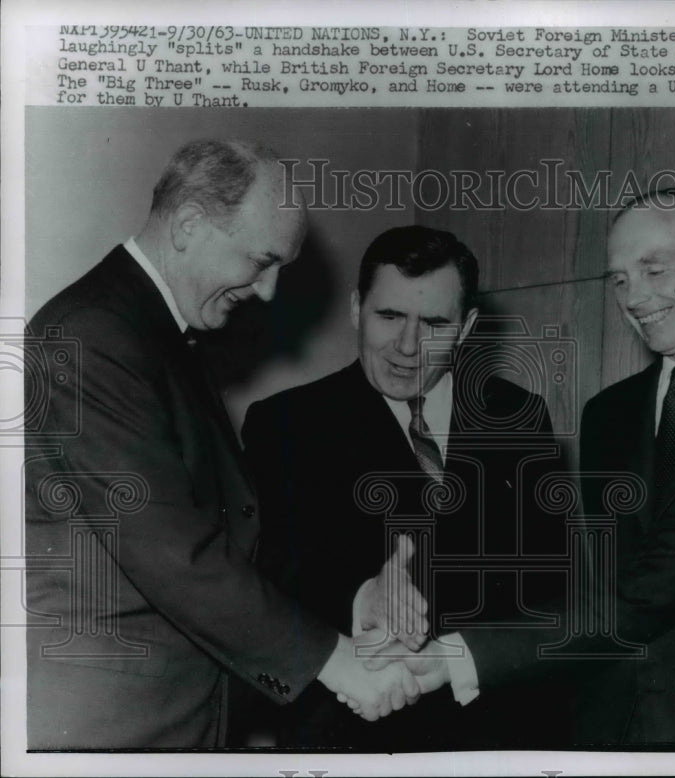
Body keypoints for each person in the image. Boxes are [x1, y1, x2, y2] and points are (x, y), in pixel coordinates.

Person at [24, 140, 418, 749]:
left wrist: (354, 598)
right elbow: (174, 552)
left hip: (166, 716)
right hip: (113, 727)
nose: (267, 292)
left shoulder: (156, 331)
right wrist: (335, 661)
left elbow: (231, 529)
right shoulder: (93, 335)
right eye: (262, 261)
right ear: (189, 224)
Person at [365, 189, 675, 745]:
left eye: (654, 269)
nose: (633, 297)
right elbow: (597, 581)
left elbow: (661, 579)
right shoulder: (608, 413)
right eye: (619, 279)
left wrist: (463, 655)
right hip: (612, 722)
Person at [240, 225, 566, 750]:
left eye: (434, 323)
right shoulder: (284, 422)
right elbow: (265, 572)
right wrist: (361, 596)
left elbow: (553, 579)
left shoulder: (519, 416)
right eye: (389, 316)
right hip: (351, 735)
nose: (408, 347)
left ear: (466, 328)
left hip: (495, 733)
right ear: (356, 309)